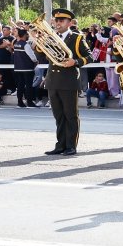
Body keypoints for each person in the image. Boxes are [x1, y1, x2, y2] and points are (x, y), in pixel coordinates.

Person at [43, 8, 88, 156]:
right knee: (59, 116)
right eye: (56, 20)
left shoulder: (77, 38)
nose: (58, 23)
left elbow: (89, 56)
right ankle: (60, 145)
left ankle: (71, 145)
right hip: (53, 80)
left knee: (70, 115)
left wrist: (75, 61)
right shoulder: (51, 37)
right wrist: (38, 43)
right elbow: (41, 56)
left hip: (68, 81)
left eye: (61, 20)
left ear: (69, 22)